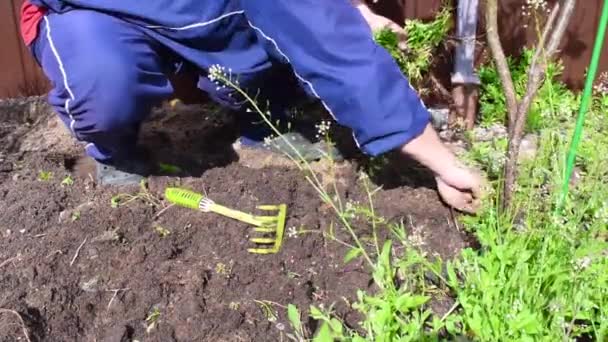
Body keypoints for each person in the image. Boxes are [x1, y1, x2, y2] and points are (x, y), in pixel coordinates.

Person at [19, 0, 483, 213]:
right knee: (103, 81)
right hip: (89, 12)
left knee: (282, 24)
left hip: (206, 12)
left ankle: (264, 111)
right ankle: (113, 147)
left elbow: (324, 32)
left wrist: (437, 159)